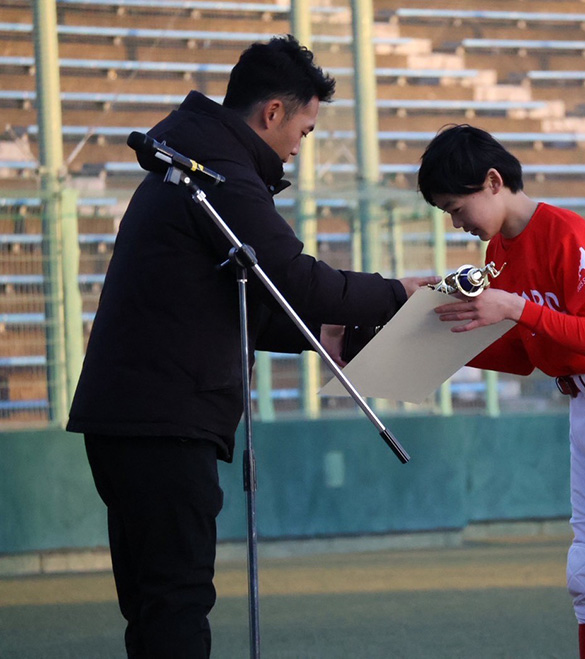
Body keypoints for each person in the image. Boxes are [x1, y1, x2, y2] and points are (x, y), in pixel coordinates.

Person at [67, 36, 435, 658]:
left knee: (157, 603)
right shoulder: (219, 175)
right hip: (164, 421)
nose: (301, 145)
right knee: (176, 601)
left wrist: (325, 335)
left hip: (134, 416)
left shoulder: (195, 163)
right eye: (306, 128)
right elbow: (295, 278)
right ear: (272, 113)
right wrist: (399, 291)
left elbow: (247, 302)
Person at [417, 125, 585, 659]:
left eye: (456, 206)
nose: (455, 222)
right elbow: (524, 355)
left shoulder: (569, 233)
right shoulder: (500, 248)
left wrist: (517, 307)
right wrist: (440, 350)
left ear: (493, 181)